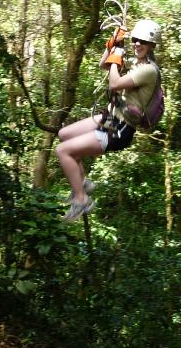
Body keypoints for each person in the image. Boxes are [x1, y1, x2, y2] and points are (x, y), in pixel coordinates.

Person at [55, 19, 162, 222]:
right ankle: (82, 183)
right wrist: (113, 43)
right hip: (110, 118)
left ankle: (81, 200)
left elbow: (114, 84)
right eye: (135, 40)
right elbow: (104, 65)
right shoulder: (136, 63)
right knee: (63, 135)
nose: (138, 44)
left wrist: (118, 56)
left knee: (63, 151)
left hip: (120, 130)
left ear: (152, 46)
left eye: (143, 42)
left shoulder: (148, 70)